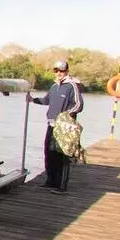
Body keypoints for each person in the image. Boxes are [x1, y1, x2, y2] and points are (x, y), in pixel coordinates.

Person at [26, 60, 84, 194]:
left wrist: (65, 115)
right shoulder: (53, 87)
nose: (58, 73)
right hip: (51, 125)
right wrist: (32, 99)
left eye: (61, 71)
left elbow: (78, 105)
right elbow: (46, 101)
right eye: (56, 70)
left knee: (62, 156)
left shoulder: (72, 86)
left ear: (67, 71)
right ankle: (50, 181)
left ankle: (61, 187)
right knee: (49, 153)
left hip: (64, 127)